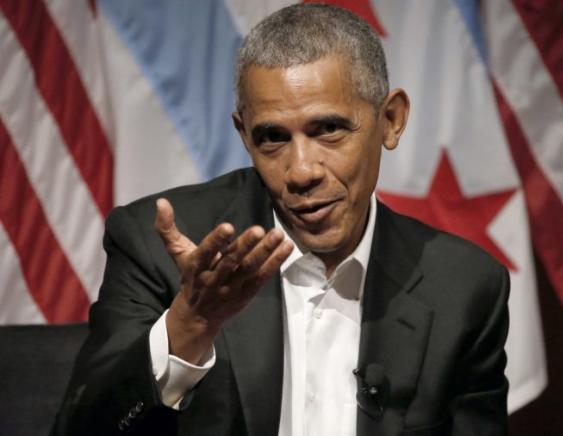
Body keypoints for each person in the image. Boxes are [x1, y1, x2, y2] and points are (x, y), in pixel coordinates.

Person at [53, 4, 509, 436]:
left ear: (390, 120)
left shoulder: (463, 288)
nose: (302, 171)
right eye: (272, 138)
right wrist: (191, 323)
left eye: (328, 129)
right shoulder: (157, 247)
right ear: (244, 137)